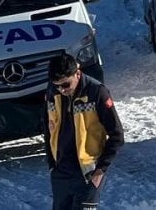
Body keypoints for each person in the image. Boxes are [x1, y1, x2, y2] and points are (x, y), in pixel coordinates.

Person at [44, 53, 124, 210]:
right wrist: (52, 164)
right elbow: (48, 129)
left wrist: (100, 170)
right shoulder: (52, 92)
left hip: (88, 173)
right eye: (57, 85)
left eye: (66, 85)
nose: (61, 90)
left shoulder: (97, 92)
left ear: (77, 73)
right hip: (61, 173)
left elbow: (117, 135)